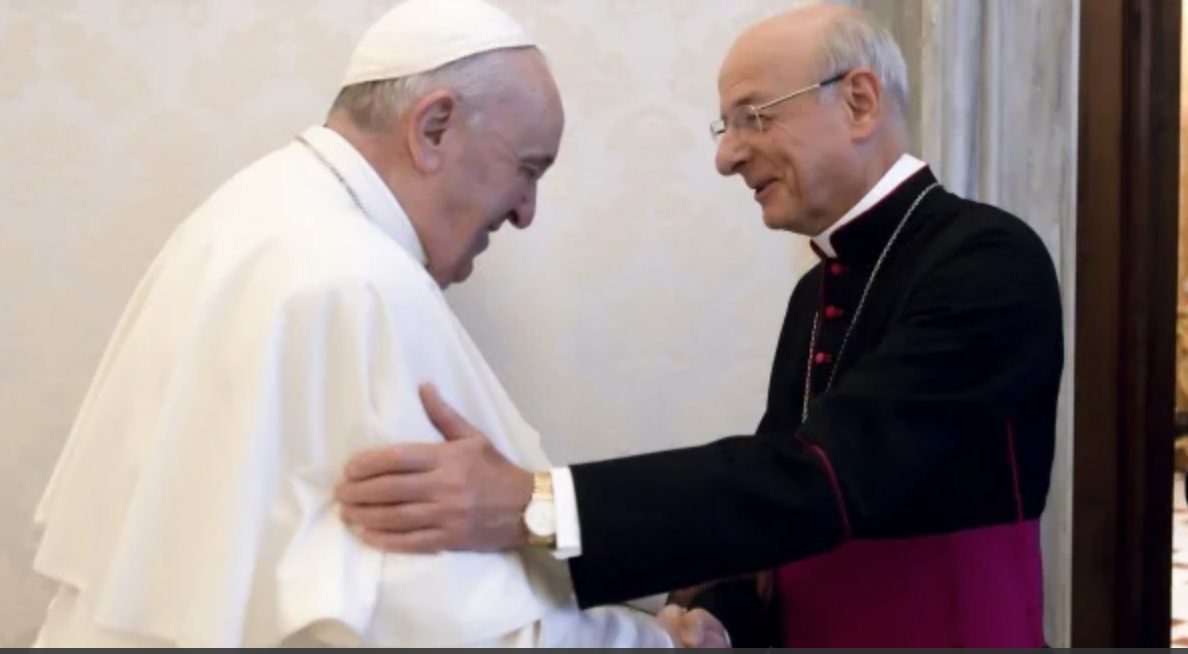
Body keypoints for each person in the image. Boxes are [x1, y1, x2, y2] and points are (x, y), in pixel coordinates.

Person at [335, 3, 1064, 648]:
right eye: (727, 126)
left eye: (754, 116)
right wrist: (712, 618)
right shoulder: (817, 291)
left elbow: (828, 480)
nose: (726, 156)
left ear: (860, 101)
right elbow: (778, 524)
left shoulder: (986, 261)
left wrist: (538, 505)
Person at [29, 0, 727, 647]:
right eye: (527, 169)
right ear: (433, 127)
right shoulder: (354, 282)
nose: (525, 211)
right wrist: (659, 641)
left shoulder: (252, 212)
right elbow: (442, 624)